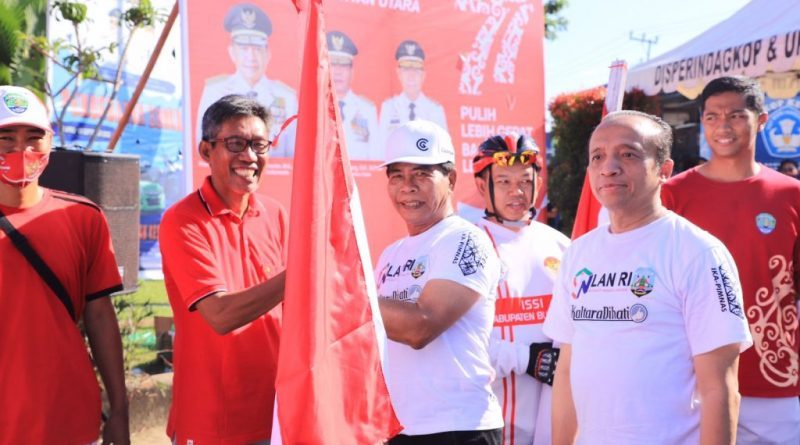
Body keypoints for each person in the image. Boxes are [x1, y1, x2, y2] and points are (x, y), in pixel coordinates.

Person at [544, 110, 752, 444]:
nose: (609, 168)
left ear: (664, 170)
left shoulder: (698, 253)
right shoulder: (578, 253)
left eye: (628, 154)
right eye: (598, 156)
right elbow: (567, 369)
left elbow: (720, 388)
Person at [662, 76, 800, 445]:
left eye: (736, 115)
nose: (723, 126)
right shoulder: (671, 196)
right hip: (689, 382)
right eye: (712, 117)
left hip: (773, 381)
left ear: (762, 120)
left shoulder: (792, 194)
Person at [0, 85, 129, 444]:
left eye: (33, 137)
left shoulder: (83, 217)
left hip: (69, 421)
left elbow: (100, 316)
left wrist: (120, 410)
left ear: (50, 142)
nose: (21, 149)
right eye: (5, 137)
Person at [160, 94, 287, 444]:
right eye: (235, 144)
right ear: (206, 150)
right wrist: (301, 274)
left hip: (276, 415)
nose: (249, 156)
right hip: (211, 421)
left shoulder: (275, 214)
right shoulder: (183, 220)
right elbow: (220, 315)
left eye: (259, 145)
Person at [375, 119, 503, 444]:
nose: (408, 187)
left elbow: (421, 327)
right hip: (401, 428)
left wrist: (344, 292)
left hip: (460, 428)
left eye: (421, 174)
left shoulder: (466, 240)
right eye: (397, 176)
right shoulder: (390, 254)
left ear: (451, 179)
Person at [472, 134, 570, 444]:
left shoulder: (561, 245)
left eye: (525, 181)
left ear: (538, 184)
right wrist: (525, 358)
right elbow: (456, 343)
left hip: (551, 426)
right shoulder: (466, 246)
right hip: (487, 425)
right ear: (481, 186)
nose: (516, 192)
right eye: (503, 182)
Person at [195, 3, 298, 157]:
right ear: (232, 52)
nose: (251, 56)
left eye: (257, 49)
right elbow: (202, 149)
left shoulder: (286, 97)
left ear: (268, 54)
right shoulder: (215, 92)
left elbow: (294, 154)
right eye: (244, 48)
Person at [379, 40, 447, 145]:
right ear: (398, 73)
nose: (411, 76)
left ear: (423, 75)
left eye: (416, 70)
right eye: (406, 69)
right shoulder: (388, 108)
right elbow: (381, 147)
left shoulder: (435, 110)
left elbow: (442, 148)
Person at [327, 30, 380, 161]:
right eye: (333, 64)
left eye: (343, 65)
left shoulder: (367, 109)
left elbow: (375, 156)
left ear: (352, 71)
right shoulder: (312, 107)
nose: (338, 72)